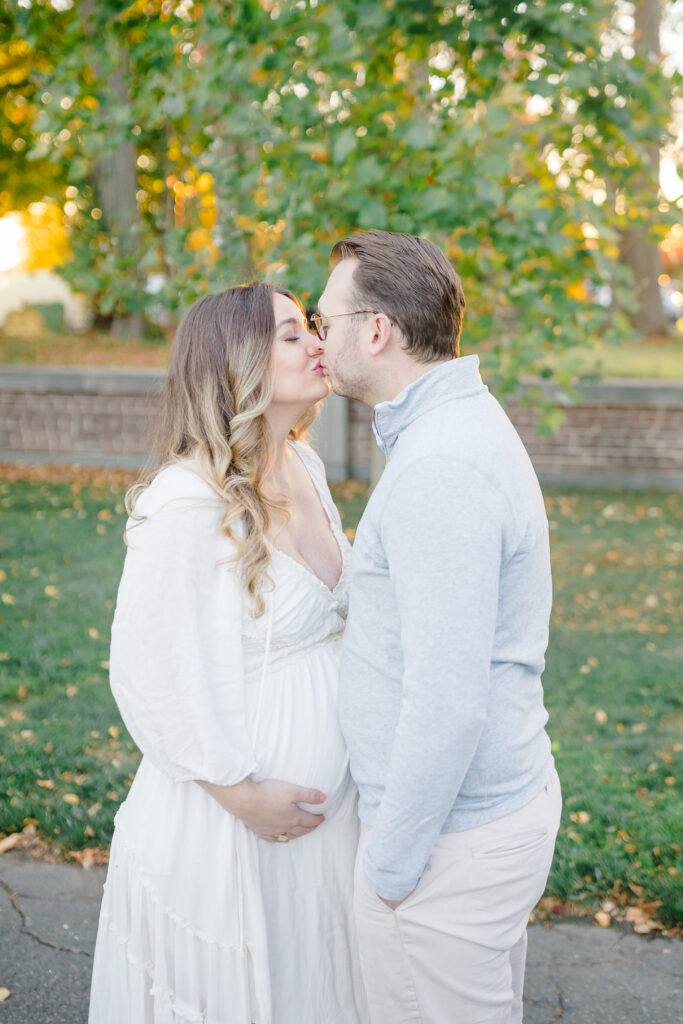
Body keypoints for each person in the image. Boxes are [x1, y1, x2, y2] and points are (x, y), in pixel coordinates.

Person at [88, 283, 369, 1024]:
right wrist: (238, 793)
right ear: (235, 362)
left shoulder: (304, 467)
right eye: (288, 333)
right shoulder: (186, 500)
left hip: (325, 818)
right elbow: (146, 673)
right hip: (227, 823)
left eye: (311, 324)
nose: (315, 341)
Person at [312, 229, 562, 1024]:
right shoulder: (440, 434)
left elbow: (447, 698)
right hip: (466, 828)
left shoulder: (440, 467)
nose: (320, 340)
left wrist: (389, 867)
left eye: (326, 322)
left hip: (443, 846)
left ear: (375, 330)